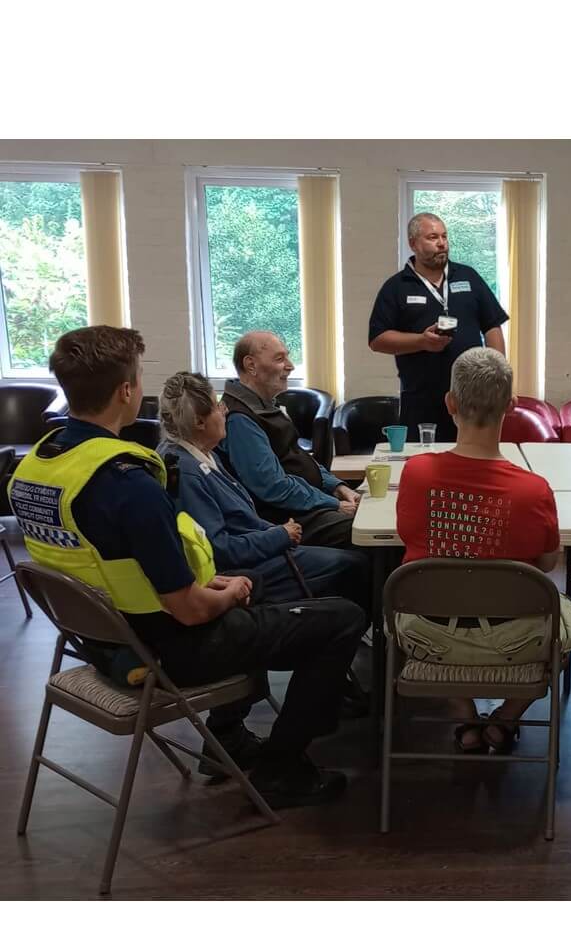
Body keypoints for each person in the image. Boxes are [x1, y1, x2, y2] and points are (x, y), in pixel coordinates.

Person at [7, 326, 366, 808]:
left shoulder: (37, 466)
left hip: (97, 640)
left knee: (281, 590)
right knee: (341, 616)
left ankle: (231, 739)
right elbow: (194, 611)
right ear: (127, 391)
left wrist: (213, 581)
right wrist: (232, 591)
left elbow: (116, 564)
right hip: (168, 647)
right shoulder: (128, 482)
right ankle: (283, 768)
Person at [394, 347, 571, 753]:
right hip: (514, 642)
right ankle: (505, 718)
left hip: (425, 636)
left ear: (450, 403)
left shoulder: (416, 473)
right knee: (569, 619)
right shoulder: (534, 490)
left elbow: (410, 541)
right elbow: (548, 563)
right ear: (511, 406)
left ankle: (465, 719)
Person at [158, 371, 370, 614]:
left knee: (355, 558)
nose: (224, 411)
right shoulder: (186, 472)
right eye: (218, 406)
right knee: (354, 564)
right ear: (199, 422)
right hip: (251, 563)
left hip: (264, 539)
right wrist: (279, 535)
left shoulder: (204, 453)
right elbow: (220, 549)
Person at [368, 212, 508, 443]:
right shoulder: (396, 287)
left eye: (444, 236)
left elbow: (492, 327)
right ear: (413, 243)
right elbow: (378, 339)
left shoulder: (468, 276)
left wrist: (499, 377)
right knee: (423, 463)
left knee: (472, 463)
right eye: (433, 237)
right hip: (421, 398)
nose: (442, 243)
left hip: (473, 398)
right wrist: (421, 341)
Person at [220, 331, 360, 549]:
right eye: (279, 359)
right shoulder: (240, 419)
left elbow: (299, 456)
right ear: (251, 365)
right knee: (365, 530)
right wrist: (333, 504)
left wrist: (339, 487)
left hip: (308, 505)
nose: (290, 365)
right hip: (284, 520)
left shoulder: (266, 406)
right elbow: (273, 487)